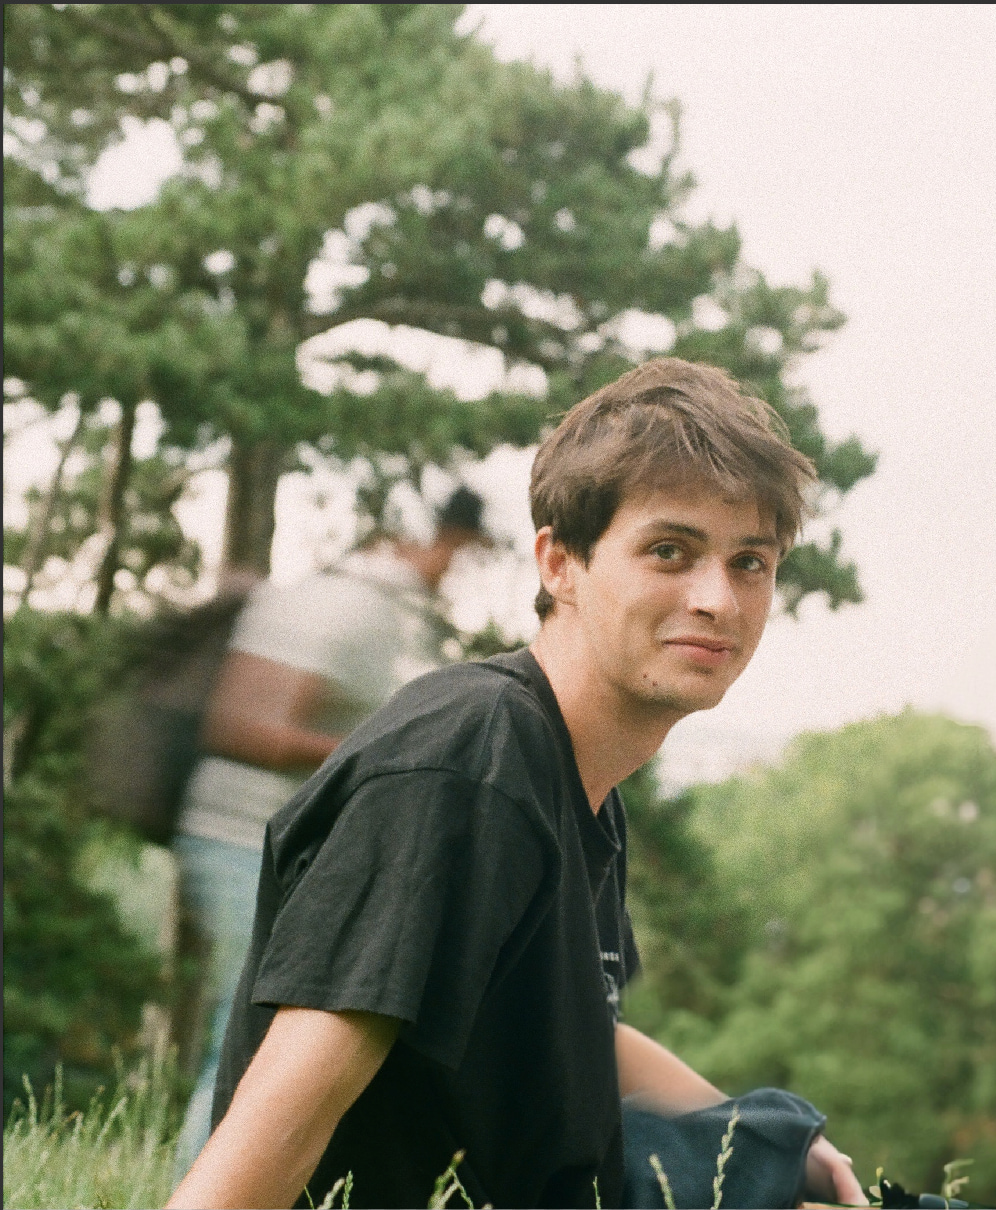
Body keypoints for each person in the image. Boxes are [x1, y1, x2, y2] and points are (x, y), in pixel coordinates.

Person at [166, 359, 867, 1209]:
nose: (718, 598)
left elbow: (584, 1035)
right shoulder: (469, 762)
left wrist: (760, 1144)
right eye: (669, 551)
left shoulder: (579, 780)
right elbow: (288, 1102)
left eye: (750, 562)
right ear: (558, 563)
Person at [170, 488, 495, 1175]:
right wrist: (387, 758)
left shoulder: (393, 613)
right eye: (465, 555)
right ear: (441, 539)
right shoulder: (344, 604)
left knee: (268, 1042)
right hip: (244, 841)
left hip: (292, 851)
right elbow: (240, 726)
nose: (462, 573)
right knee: (255, 1043)